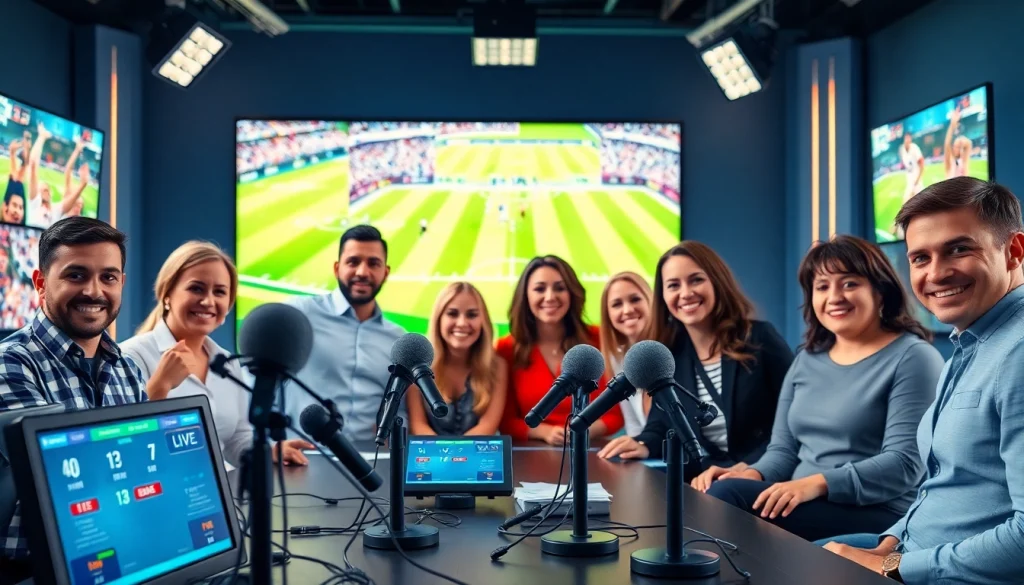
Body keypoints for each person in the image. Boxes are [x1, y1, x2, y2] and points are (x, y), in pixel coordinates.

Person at [823, 177, 1024, 585]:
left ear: (1014, 251)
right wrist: (891, 541)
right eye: (919, 258)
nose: (937, 274)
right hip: (907, 547)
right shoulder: (969, 343)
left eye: (959, 249)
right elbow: (948, 485)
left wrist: (893, 567)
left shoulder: (1018, 353)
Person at [698, 235, 944, 542]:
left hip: (879, 511)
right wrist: (751, 474)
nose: (835, 296)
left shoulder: (914, 357)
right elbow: (783, 451)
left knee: (727, 496)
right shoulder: (806, 359)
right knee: (721, 488)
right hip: (801, 498)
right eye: (822, 286)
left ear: (880, 292)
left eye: (850, 283)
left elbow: (904, 464)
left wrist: (816, 483)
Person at [0, 217, 146, 573]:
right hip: (38, 569)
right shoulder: (10, 364)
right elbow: (71, 481)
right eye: (76, 275)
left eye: (108, 277)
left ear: (121, 283)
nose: (94, 291)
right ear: (41, 283)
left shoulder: (128, 369)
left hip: (122, 554)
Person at [598, 242, 793, 480]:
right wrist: (642, 444)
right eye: (673, 285)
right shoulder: (671, 353)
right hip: (706, 480)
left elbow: (795, 420)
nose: (686, 293)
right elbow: (660, 423)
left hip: (760, 475)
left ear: (716, 282)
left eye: (696, 280)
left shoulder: (760, 338)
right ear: (664, 297)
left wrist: (752, 467)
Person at [120, 241, 312, 469]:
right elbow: (120, 445)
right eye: (196, 288)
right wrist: (160, 386)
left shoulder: (227, 363)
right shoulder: (130, 356)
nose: (208, 301)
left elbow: (235, 440)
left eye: (219, 292)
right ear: (167, 294)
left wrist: (268, 450)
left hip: (218, 494)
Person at [283, 225, 405, 442]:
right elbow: (258, 380)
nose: (362, 272)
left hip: (371, 462)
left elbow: (402, 412)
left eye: (373, 263)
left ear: (385, 272)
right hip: (307, 457)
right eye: (353, 262)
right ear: (337, 268)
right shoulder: (300, 315)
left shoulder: (398, 340)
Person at [497, 255, 623, 443]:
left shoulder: (599, 339)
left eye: (560, 288)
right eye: (540, 289)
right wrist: (544, 432)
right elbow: (506, 421)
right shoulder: (506, 349)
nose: (550, 297)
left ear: (572, 293)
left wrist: (583, 428)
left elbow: (616, 414)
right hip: (533, 454)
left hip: (592, 451)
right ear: (525, 296)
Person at [406, 282, 507, 435]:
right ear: (438, 319)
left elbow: (488, 426)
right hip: (432, 456)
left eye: (472, 315)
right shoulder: (417, 365)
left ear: (483, 321)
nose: (462, 323)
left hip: (477, 455)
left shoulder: (497, 366)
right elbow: (418, 426)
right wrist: (445, 455)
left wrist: (458, 455)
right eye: (452, 314)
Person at [596, 271, 653, 436]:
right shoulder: (618, 358)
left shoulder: (673, 351)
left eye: (635, 299)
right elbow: (634, 428)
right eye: (616, 304)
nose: (627, 310)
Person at [943, 107, 972, 179]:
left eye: (958, 147)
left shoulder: (963, 161)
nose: (955, 148)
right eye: (954, 146)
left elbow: (969, 144)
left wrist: (962, 140)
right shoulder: (949, 163)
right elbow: (947, 143)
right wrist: (952, 124)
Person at [901, 132, 925, 204]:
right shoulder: (902, 149)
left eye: (909, 138)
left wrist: (917, 180)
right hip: (910, 181)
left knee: (918, 203)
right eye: (906, 138)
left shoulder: (914, 148)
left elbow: (922, 164)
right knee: (907, 204)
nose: (908, 140)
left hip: (916, 181)